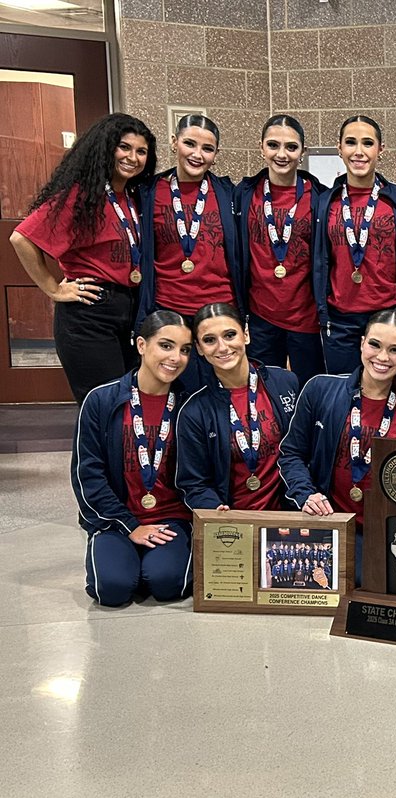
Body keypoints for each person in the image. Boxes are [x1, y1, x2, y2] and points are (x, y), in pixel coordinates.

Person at [10, 114, 157, 402]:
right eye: (124, 147)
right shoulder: (81, 197)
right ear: (105, 148)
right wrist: (53, 288)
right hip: (91, 314)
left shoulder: (130, 196)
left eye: (141, 151)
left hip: (129, 310)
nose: (133, 157)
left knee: (128, 403)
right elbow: (21, 238)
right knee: (103, 406)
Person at [278, 309, 396, 585]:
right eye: (375, 345)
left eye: (395, 350)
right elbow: (291, 454)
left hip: (383, 533)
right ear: (362, 343)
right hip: (329, 525)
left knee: (379, 582)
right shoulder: (319, 389)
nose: (382, 358)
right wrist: (306, 494)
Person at [69, 310, 194, 606]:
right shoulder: (101, 400)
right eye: (166, 345)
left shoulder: (189, 405)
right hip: (116, 518)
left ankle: (153, 562)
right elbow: (87, 474)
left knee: (168, 585)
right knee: (111, 590)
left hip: (170, 519)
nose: (175, 357)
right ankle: (119, 553)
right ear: (141, 345)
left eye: (185, 350)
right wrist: (129, 526)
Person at [311, 115, 396, 377]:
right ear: (339, 149)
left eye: (367, 143)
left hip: (387, 315)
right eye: (350, 142)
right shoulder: (326, 201)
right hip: (341, 318)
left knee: (386, 393)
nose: (358, 151)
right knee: (343, 390)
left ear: (380, 150)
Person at [175, 302, 299, 511]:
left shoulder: (285, 382)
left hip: (288, 517)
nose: (222, 347)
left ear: (246, 334)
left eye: (230, 335)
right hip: (232, 524)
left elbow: (300, 454)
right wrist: (214, 508)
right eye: (209, 340)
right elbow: (194, 484)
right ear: (199, 348)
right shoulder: (194, 411)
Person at [234, 115, 327, 386]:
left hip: (306, 319)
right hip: (261, 317)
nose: (282, 154)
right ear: (261, 148)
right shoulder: (243, 194)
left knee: (310, 391)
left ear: (303, 152)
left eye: (291, 147)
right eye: (273, 145)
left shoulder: (320, 197)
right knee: (264, 390)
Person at [136, 116, 240, 349]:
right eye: (189, 144)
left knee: (219, 381)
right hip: (167, 307)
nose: (197, 154)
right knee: (174, 380)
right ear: (174, 142)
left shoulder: (229, 194)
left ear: (216, 154)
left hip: (219, 309)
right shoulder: (148, 192)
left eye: (208, 149)